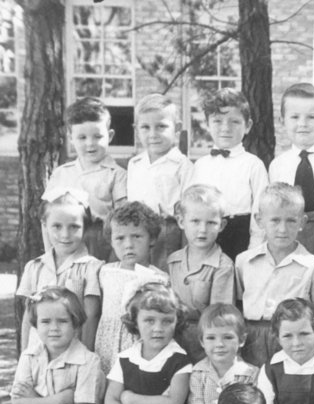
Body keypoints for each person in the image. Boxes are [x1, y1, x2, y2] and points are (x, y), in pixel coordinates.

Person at [235, 182, 314, 367]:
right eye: (274, 220)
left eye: (291, 221)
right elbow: (238, 306)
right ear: (259, 220)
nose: (282, 229)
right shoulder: (244, 262)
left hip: (293, 340)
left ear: (303, 222)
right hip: (252, 338)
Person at [185, 87, 269, 259]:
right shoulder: (200, 165)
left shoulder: (254, 165)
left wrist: (254, 248)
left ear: (248, 126)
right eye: (217, 121)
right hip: (206, 234)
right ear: (207, 124)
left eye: (234, 122)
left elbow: (260, 209)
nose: (226, 128)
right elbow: (190, 205)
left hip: (240, 236)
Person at [18, 189, 102, 351]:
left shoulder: (91, 268)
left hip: (72, 356)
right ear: (45, 226)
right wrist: (24, 357)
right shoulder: (35, 267)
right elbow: (28, 317)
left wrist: (84, 358)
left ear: (85, 228)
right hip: (38, 356)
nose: (65, 234)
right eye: (57, 226)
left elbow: (91, 316)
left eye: (74, 227)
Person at [268, 83, 314, 265]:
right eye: (294, 117)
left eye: (311, 117)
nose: (302, 124)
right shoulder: (277, 165)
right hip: (288, 236)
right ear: (282, 121)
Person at [46, 97, 127, 260]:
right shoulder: (61, 174)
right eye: (82, 138)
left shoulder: (117, 174)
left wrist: (116, 255)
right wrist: (50, 253)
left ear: (110, 136)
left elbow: (122, 220)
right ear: (70, 138)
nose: (90, 144)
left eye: (97, 136)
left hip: (102, 242)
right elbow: (45, 218)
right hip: (65, 240)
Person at [93, 202, 169, 373]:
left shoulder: (158, 278)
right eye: (120, 238)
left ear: (152, 239)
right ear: (111, 241)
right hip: (107, 340)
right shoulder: (105, 272)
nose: (128, 244)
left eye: (136, 236)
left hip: (138, 342)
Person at [166, 185, 236, 362]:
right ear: (181, 222)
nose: (202, 229)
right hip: (171, 341)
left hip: (204, 345)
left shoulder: (223, 266)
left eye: (211, 223)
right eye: (195, 221)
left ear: (222, 225)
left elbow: (218, 317)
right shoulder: (173, 260)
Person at [127, 93, 192, 268]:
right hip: (137, 229)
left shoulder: (182, 165)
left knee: (164, 275)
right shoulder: (135, 164)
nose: (153, 134)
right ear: (136, 129)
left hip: (168, 230)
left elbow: (188, 209)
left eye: (161, 126)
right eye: (145, 127)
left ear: (177, 128)